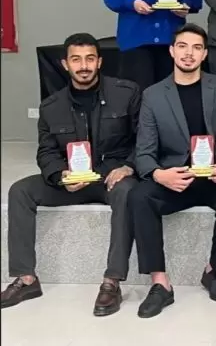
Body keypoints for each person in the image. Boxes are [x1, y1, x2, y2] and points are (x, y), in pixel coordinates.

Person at [1, 33, 140, 316]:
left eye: (90, 59)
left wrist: (128, 166)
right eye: (76, 60)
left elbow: (144, 138)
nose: (84, 66)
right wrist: (60, 174)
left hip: (111, 177)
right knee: (20, 190)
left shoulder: (126, 93)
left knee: (127, 192)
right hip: (72, 181)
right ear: (65, 64)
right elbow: (46, 152)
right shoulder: (51, 106)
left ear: (99, 62)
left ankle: (112, 281)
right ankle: (26, 279)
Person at [130, 24, 216, 319]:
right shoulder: (153, 95)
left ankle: (214, 270)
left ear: (205, 54)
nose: (189, 53)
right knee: (138, 197)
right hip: (175, 177)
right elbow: (144, 152)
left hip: (215, 176)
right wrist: (159, 174)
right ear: (172, 51)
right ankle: (160, 283)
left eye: (196, 48)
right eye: (182, 46)